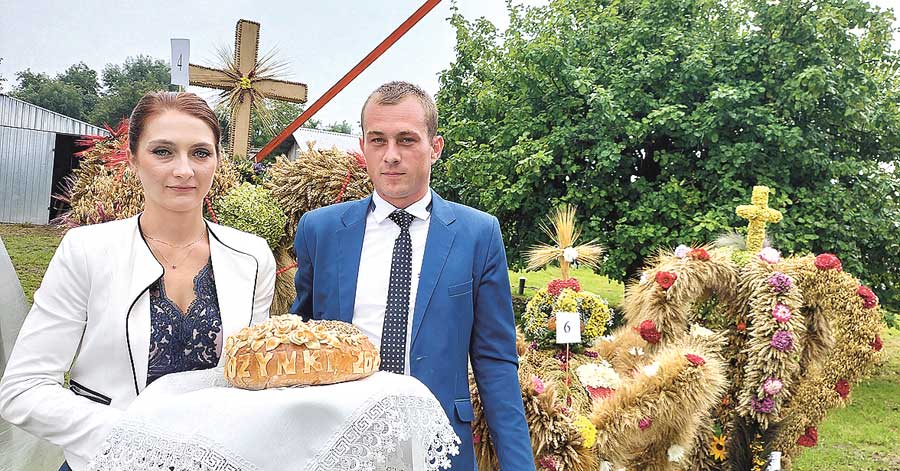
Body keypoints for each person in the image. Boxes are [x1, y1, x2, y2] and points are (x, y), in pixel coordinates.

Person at [0, 91, 276, 471]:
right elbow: (23, 389)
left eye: (200, 153)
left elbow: (250, 375)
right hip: (105, 460)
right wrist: (136, 440)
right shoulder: (88, 251)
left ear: (217, 160)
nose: (184, 170)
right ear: (132, 158)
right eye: (163, 152)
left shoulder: (252, 256)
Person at [291, 81, 535, 470]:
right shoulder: (320, 231)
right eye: (378, 140)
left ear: (435, 147)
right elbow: (298, 339)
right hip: (339, 444)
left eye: (406, 140)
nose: (391, 155)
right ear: (363, 146)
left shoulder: (477, 235)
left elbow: (495, 360)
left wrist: (518, 465)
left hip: (439, 445)